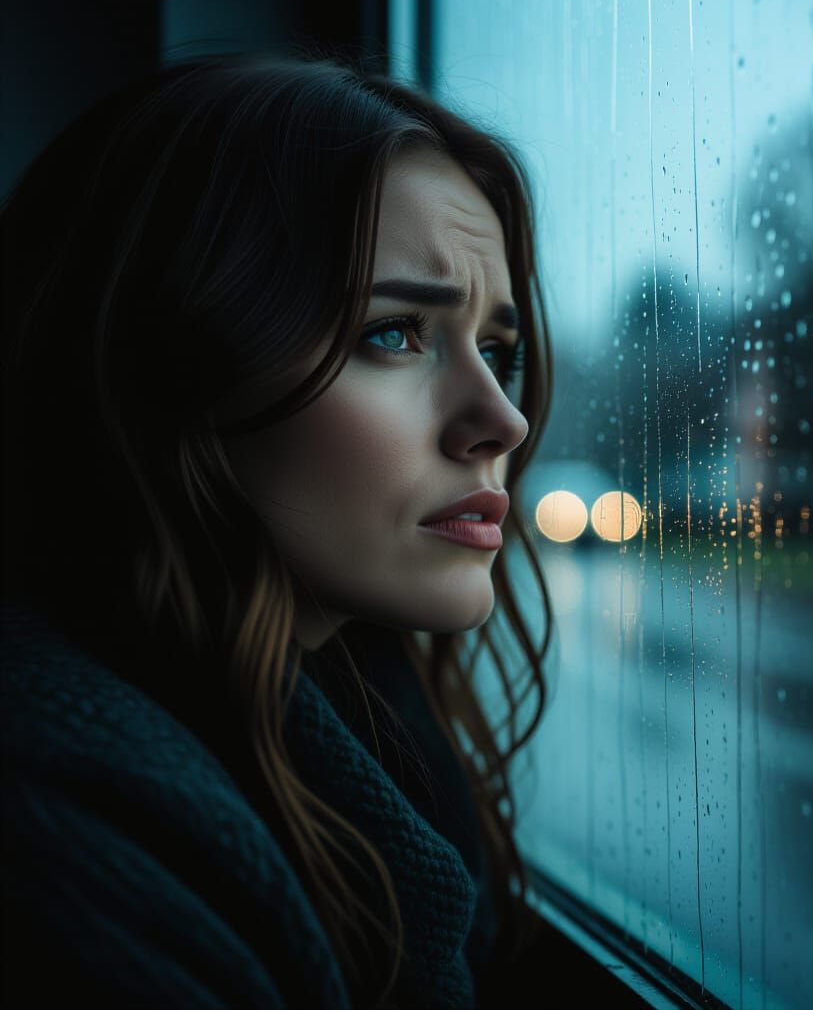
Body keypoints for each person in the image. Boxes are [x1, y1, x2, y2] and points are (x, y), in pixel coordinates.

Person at [1, 50, 556, 1009]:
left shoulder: (366, 734)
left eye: (497, 350)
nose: (501, 419)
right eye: (393, 333)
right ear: (167, 365)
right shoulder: (61, 836)